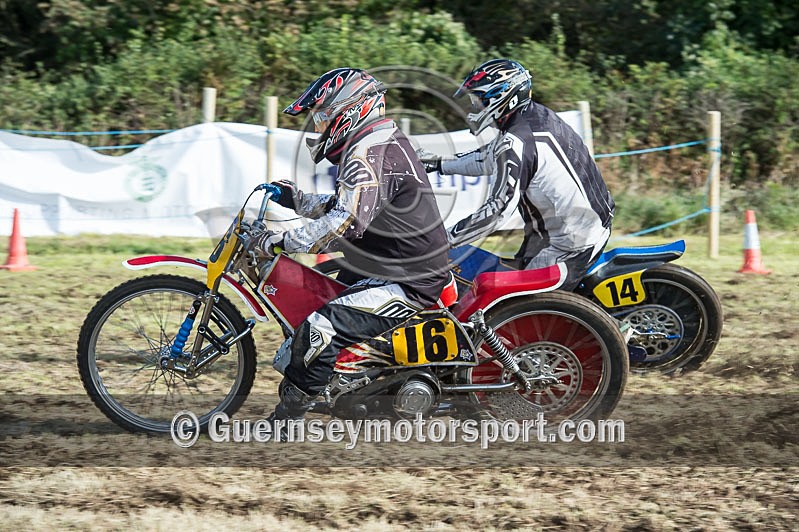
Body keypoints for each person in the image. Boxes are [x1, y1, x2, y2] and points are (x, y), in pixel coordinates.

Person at [248, 67, 451, 426]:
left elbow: (344, 223)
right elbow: (351, 206)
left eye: (323, 117)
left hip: (407, 278)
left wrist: (277, 242)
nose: (318, 127)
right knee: (318, 305)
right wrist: (298, 201)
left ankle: (286, 420)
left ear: (350, 112)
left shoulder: (368, 151)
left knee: (320, 328)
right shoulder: (374, 141)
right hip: (386, 263)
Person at [418, 59, 615, 290]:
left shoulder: (518, 139)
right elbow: (488, 158)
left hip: (568, 245)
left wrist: (444, 240)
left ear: (502, 97)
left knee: (503, 306)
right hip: (566, 232)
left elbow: (497, 212)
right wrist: (437, 164)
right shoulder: (534, 117)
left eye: (478, 100)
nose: (474, 108)